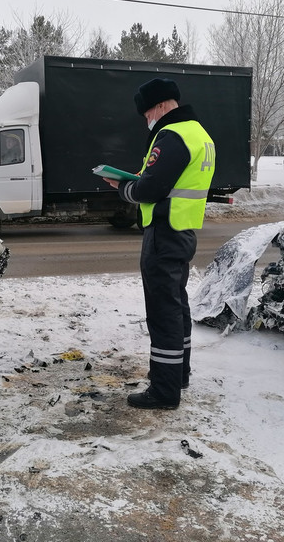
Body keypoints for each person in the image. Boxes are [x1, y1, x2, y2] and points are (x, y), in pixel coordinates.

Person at [104, 78, 216, 409]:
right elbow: (168, 182)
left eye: (147, 112)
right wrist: (138, 182)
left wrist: (122, 187)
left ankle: (163, 391)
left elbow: (150, 190)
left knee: (163, 311)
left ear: (162, 106)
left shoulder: (173, 135)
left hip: (164, 232)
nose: (146, 119)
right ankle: (178, 375)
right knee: (176, 306)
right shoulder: (200, 134)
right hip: (182, 230)